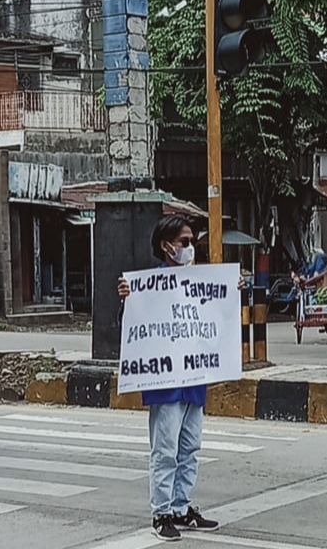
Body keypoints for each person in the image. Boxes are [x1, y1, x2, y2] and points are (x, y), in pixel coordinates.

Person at [117, 214, 224, 542]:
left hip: (193, 380)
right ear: (167, 247)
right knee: (165, 449)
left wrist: (230, 291)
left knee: (190, 447)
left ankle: (181, 507)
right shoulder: (149, 287)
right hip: (166, 384)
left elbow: (218, 316)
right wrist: (128, 298)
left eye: (192, 242)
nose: (191, 248)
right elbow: (138, 328)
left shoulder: (199, 285)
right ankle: (162, 512)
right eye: (185, 242)